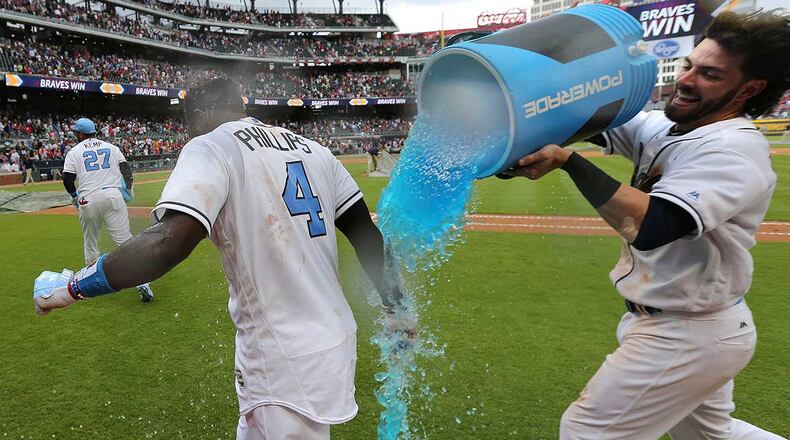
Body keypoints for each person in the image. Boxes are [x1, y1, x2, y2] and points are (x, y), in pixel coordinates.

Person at [33, 79, 410, 439]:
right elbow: (367, 237)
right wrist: (398, 310)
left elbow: (168, 242)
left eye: (188, 123)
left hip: (281, 354)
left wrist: (72, 286)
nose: (188, 133)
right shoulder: (314, 150)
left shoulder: (212, 145)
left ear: (202, 112)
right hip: (332, 336)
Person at [499, 10, 789, 440]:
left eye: (709, 74)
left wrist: (566, 160)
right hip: (689, 323)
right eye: (690, 65)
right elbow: (583, 118)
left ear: (749, 89)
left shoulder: (734, 147)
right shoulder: (669, 127)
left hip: (689, 333)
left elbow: (654, 225)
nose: (687, 79)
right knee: (713, 437)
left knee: (586, 431)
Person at [61, 117, 154, 303]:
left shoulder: (74, 152)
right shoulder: (112, 147)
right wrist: (128, 189)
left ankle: (90, 285)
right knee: (126, 242)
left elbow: (68, 178)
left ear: (80, 133)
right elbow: (127, 171)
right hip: (113, 196)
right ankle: (143, 283)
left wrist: (74, 196)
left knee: (91, 242)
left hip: (89, 199)